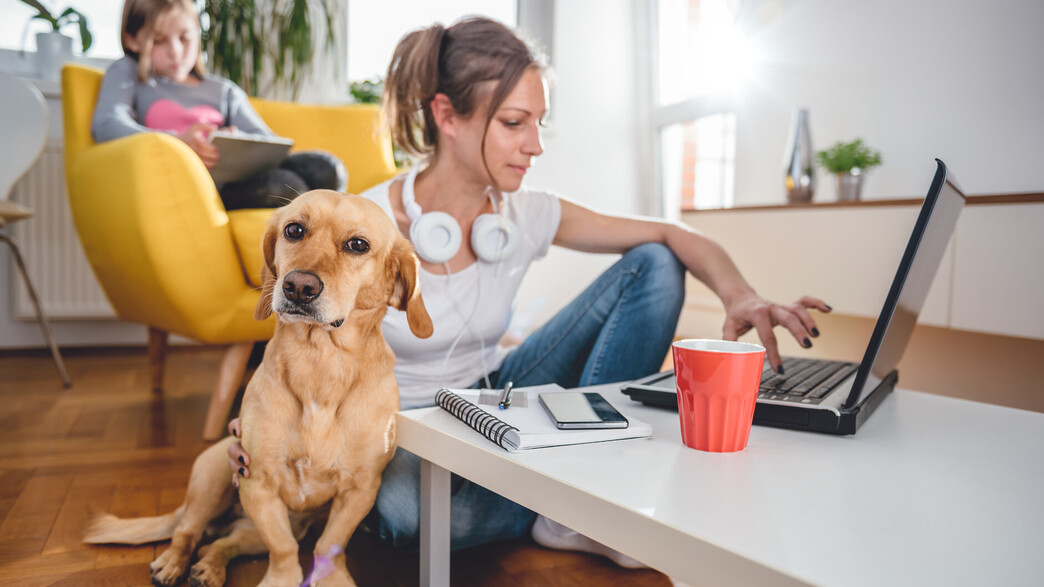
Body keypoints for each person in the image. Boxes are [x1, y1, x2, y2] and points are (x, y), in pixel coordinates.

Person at [228, 16, 829, 566]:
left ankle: (580, 498)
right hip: (397, 426)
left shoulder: (526, 213)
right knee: (411, 516)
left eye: (538, 124)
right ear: (448, 116)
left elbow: (673, 234)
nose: (535, 145)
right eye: (515, 123)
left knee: (655, 262)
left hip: (494, 391)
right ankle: (555, 502)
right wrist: (258, 429)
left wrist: (741, 295)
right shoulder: (365, 226)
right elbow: (293, 346)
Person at [91, 0, 346, 210]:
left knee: (328, 169)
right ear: (133, 40)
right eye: (158, 40)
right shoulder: (131, 74)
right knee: (284, 185)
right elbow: (107, 124)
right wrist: (178, 141)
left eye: (185, 38)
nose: (176, 51)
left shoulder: (224, 90)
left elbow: (270, 143)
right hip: (209, 188)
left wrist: (235, 139)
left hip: (243, 174)